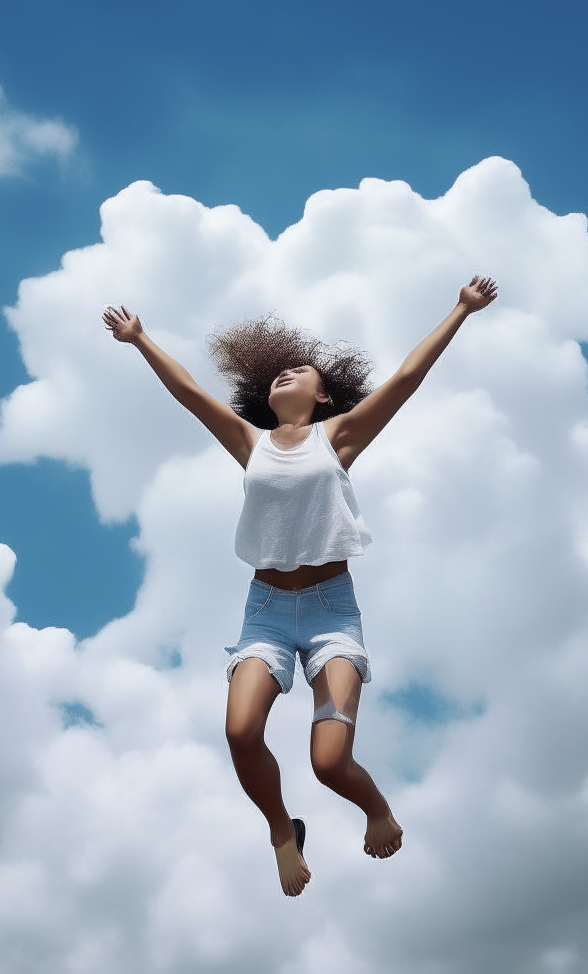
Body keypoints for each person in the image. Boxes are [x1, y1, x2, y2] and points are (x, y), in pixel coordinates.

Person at [103, 275, 498, 896]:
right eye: (277, 372)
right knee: (239, 732)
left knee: (328, 762)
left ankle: (377, 810)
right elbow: (189, 392)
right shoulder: (250, 441)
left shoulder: (337, 436)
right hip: (264, 612)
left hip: (331, 612)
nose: (285, 374)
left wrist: (461, 310)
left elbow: (404, 380)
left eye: (300, 371)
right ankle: (283, 832)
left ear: (322, 395)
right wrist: (140, 339)